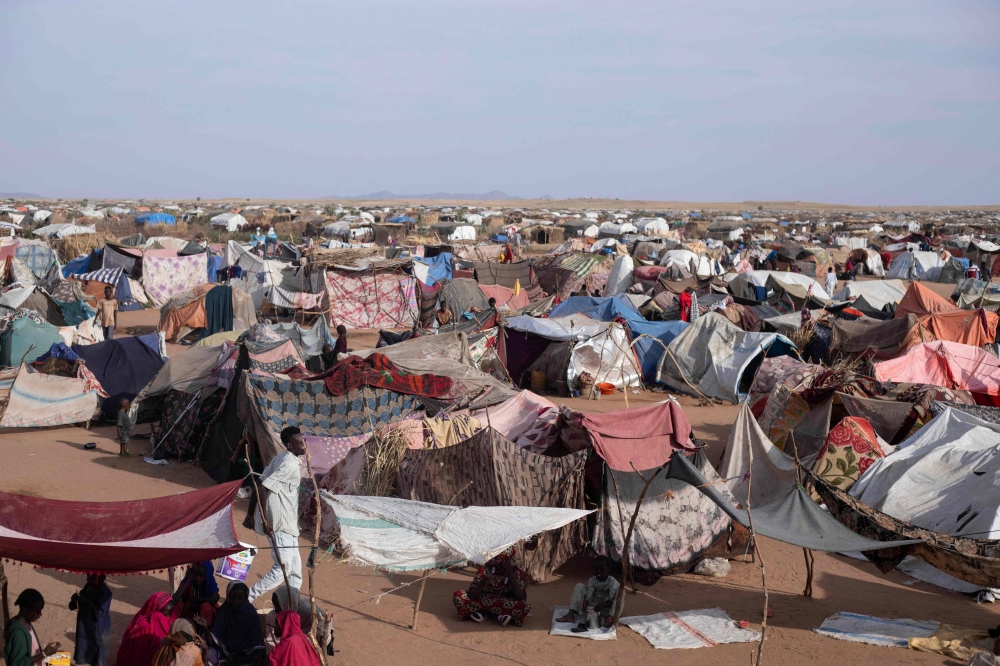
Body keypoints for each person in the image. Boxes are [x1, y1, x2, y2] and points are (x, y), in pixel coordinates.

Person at [244, 427, 306, 600]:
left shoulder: (282, 457)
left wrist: (250, 514)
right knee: (282, 570)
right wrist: (264, 520)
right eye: (300, 442)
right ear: (290, 445)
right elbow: (263, 488)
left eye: (304, 440)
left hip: (289, 523)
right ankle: (247, 597)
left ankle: (292, 606)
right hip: (280, 523)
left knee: (295, 572)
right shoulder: (289, 464)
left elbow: (258, 481)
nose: (304, 445)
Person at [453, 547, 529, 627]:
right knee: (458, 595)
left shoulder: (516, 569)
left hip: (506, 600)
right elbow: (472, 595)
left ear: (506, 559)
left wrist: (510, 572)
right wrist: (485, 578)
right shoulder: (486, 567)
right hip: (485, 598)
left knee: (524, 606)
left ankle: (484, 613)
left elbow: (521, 597)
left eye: (497, 558)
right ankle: (498, 615)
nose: (492, 560)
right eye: (491, 557)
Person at [265, 587, 332, 658]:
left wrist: (307, 643)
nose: (275, 608)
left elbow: (323, 625)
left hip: (313, 637)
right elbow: (271, 640)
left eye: (278, 605)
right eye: (274, 605)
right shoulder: (275, 615)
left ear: (285, 603)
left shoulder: (307, 610)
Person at [556, 556, 620, 630]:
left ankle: (610, 618)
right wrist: (587, 602)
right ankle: (570, 614)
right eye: (596, 569)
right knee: (579, 586)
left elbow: (612, 599)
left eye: (602, 569)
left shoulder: (612, 582)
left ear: (608, 569)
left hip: (607, 610)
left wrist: (604, 605)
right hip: (594, 609)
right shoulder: (592, 580)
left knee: (621, 594)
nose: (598, 571)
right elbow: (589, 596)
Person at [209, 583, 264, 665]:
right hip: (223, 650)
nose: (236, 601)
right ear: (228, 596)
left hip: (244, 654)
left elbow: (255, 641)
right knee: (209, 655)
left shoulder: (251, 613)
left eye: (240, 598)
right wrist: (205, 629)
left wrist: (235, 654)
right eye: (233, 598)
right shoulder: (224, 610)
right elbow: (216, 632)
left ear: (245, 598)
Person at [115, 592, 175, 666]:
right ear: (154, 610)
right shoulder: (143, 627)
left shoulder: (167, 621)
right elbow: (137, 655)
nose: (168, 617)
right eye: (166, 614)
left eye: (170, 614)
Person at [4, 589, 60, 666]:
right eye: (37, 611)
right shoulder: (18, 634)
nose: (40, 614)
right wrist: (44, 654)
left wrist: (46, 652)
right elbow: (17, 664)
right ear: (26, 610)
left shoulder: (26, 623)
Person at [69, 574, 112, 666]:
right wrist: (76, 598)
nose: (88, 579)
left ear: (102, 578)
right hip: (86, 625)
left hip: (99, 627)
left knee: (98, 654)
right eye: (88, 576)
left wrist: (85, 600)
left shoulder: (105, 592)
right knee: (89, 651)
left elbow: (100, 612)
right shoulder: (88, 586)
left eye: (92, 578)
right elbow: (74, 604)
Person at [172, 562, 220, 629]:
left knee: (206, 606)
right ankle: (174, 629)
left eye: (202, 576)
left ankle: (203, 634)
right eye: (196, 574)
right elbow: (174, 600)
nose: (198, 578)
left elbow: (213, 599)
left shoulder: (210, 584)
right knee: (179, 605)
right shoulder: (189, 582)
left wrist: (192, 601)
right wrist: (188, 580)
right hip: (190, 613)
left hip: (205, 619)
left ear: (207, 575)